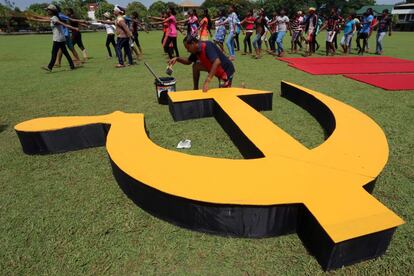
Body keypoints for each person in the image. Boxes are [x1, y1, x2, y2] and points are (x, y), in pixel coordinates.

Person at [168, 36, 235, 92]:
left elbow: (217, 62)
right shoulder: (196, 50)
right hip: (215, 68)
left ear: (193, 43)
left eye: (188, 47)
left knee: (223, 94)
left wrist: (207, 81)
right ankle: (195, 89)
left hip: (226, 71)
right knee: (196, 66)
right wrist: (177, 59)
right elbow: (188, 61)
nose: (187, 50)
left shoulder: (207, 45)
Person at [28, 5, 76, 71]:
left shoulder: (55, 18)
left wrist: (74, 28)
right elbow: (45, 20)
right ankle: (72, 65)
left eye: (48, 10)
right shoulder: (54, 17)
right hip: (60, 38)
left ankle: (50, 67)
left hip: (58, 39)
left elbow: (63, 24)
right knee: (65, 52)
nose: (47, 11)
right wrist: (35, 19)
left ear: (52, 11)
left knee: (54, 53)